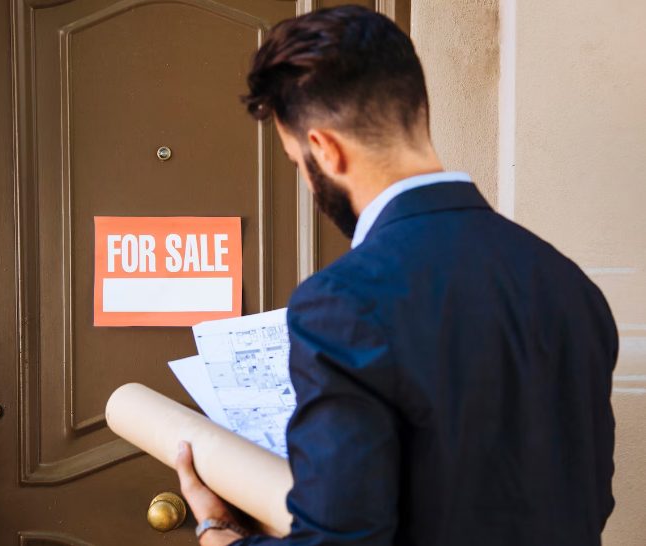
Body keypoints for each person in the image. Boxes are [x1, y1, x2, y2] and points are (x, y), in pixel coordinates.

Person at [174, 6, 617, 546]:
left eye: (296, 163)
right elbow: (590, 501)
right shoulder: (570, 285)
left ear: (324, 149)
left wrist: (219, 533)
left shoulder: (341, 303)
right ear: (415, 112)